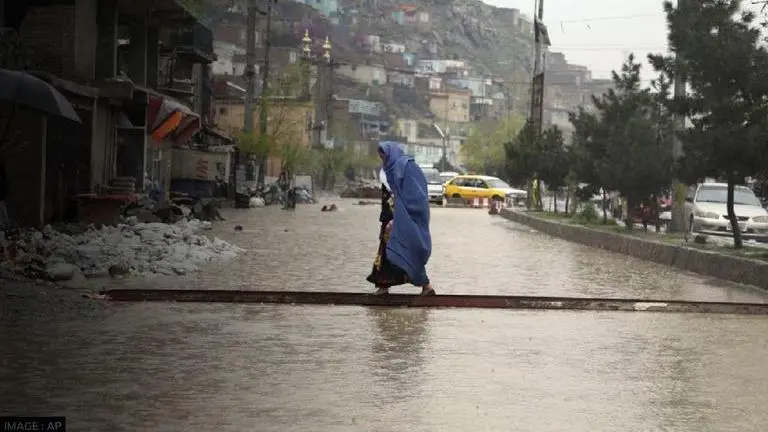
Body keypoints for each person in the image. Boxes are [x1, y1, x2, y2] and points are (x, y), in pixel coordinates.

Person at [367, 142, 435, 296]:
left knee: (407, 251)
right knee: (387, 253)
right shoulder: (387, 172)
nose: (382, 159)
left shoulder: (406, 168)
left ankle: (427, 286)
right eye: (381, 156)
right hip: (389, 219)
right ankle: (384, 286)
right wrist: (387, 218)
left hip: (404, 219)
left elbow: (416, 196)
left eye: (384, 155)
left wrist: (398, 218)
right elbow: (387, 198)